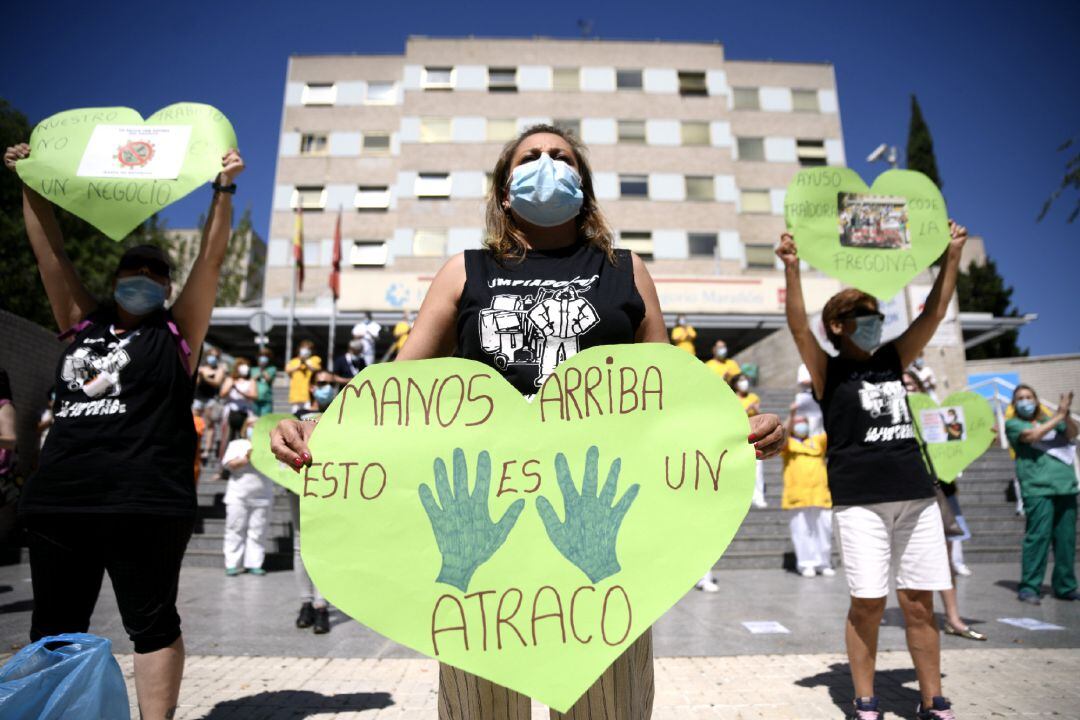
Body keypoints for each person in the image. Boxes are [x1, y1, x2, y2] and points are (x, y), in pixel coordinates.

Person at [269, 124, 785, 720]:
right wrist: (321, 425)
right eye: (531, 157)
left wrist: (736, 426)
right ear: (504, 187)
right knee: (480, 709)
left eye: (561, 157)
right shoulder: (463, 272)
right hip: (483, 531)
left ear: (584, 185)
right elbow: (396, 392)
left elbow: (670, 394)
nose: (546, 164)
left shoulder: (626, 271)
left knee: (607, 708)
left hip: (602, 525)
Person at [5, 141, 244, 720]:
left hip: (146, 502)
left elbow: (210, 262)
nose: (143, 278)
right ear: (115, 279)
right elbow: (51, 256)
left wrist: (223, 190)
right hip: (63, 499)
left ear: (166, 285)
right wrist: (30, 181)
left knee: (152, 623)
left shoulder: (178, 334)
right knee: (55, 627)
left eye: (155, 272)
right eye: (132, 269)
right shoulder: (79, 324)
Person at [777, 219, 967, 720]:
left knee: (920, 602)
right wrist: (792, 269)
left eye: (876, 314)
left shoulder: (893, 357)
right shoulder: (827, 368)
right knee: (868, 602)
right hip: (859, 501)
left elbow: (936, 310)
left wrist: (951, 255)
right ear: (838, 325)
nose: (874, 321)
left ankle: (933, 699)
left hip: (915, 495)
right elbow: (798, 325)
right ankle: (865, 700)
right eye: (863, 315)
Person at [1006, 385, 1078, 605]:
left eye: (1029, 397)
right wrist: (1058, 415)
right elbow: (1033, 435)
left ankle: (1065, 586)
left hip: (1065, 485)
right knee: (1038, 538)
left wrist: (1065, 415)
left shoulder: (1053, 419)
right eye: (1020, 398)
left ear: (1037, 400)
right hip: (1037, 488)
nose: (1025, 401)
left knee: (1066, 540)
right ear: (1014, 404)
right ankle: (1029, 587)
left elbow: (1072, 433)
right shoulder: (1014, 424)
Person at [290, 370, 338, 634]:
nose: (326, 388)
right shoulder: (295, 417)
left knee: (324, 546)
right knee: (300, 545)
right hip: (297, 488)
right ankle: (305, 603)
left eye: (331, 384)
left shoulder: (343, 416)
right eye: (321, 384)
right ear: (311, 388)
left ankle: (321, 605)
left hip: (328, 489)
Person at [781, 408, 834, 578]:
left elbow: (830, 430)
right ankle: (806, 564)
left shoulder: (816, 441)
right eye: (797, 423)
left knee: (824, 530)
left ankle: (823, 562)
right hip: (798, 495)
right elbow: (781, 438)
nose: (800, 425)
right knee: (801, 531)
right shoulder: (789, 444)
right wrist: (791, 415)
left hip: (820, 493)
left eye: (803, 422)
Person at [221, 419, 274, 576]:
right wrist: (246, 458)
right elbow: (229, 464)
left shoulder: (270, 445)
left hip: (263, 495)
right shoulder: (237, 444)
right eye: (252, 425)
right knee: (235, 528)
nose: (255, 428)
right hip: (238, 495)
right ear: (246, 428)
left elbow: (278, 466)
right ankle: (232, 563)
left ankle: (254, 563)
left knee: (258, 531)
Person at [732, 373, 767, 509]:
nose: (744, 383)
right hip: (737, 436)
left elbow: (760, 415)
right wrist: (747, 409)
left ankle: (759, 496)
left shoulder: (753, 397)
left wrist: (757, 410)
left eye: (745, 380)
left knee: (758, 466)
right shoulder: (732, 397)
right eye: (741, 381)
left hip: (753, 434)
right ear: (735, 384)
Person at [219, 356, 257, 457]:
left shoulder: (251, 381)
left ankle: (243, 460)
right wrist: (231, 385)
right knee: (227, 439)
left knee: (245, 439)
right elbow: (222, 394)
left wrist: (240, 391)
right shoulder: (230, 379)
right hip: (231, 413)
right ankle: (224, 464)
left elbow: (254, 395)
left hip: (245, 414)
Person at [194, 348, 226, 463]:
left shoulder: (219, 369)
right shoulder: (201, 368)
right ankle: (195, 446)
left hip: (211, 399)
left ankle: (207, 449)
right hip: (198, 398)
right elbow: (196, 382)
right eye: (211, 355)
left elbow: (217, 382)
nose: (212, 358)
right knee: (195, 422)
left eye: (215, 356)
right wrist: (200, 375)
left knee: (209, 425)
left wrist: (205, 376)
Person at [285, 340, 321, 413]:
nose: (306, 351)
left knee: (308, 416)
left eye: (308, 349)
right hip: (296, 394)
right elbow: (288, 370)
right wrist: (299, 363)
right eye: (304, 348)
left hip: (309, 394)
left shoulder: (315, 359)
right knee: (295, 415)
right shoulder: (293, 361)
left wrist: (306, 362)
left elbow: (316, 369)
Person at [794, 363, 824, 436]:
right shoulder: (804, 366)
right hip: (806, 396)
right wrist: (818, 382)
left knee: (818, 423)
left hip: (818, 397)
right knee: (804, 423)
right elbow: (803, 381)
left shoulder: (819, 366)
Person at [252, 348, 277, 417]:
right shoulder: (253, 369)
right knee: (254, 420)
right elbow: (251, 380)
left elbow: (269, 379)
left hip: (266, 399)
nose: (263, 358)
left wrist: (262, 368)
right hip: (255, 399)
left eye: (266, 356)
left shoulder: (272, 369)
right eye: (261, 356)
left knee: (265, 419)